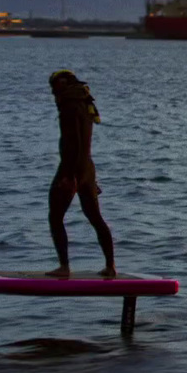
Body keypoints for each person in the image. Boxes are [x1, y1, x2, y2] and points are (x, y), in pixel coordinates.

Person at [47, 70, 116, 277]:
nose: (52, 94)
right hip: (87, 168)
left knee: (55, 217)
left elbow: (74, 143)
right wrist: (87, 177)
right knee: (95, 217)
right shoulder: (84, 103)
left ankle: (64, 267)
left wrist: (70, 177)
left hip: (72, 168)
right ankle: (111, 267)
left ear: (62, 83)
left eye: (53, 88)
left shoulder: (69, 105)